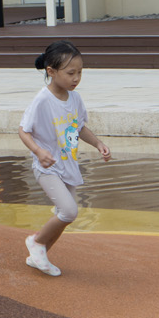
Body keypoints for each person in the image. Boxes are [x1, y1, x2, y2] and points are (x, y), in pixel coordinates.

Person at [17, 39, 111, 277]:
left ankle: (38, 255)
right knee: (69, 211)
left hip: (68, 166)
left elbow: (79, 128)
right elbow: (23, 130)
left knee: (65, 215)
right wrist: (39, 152)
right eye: (71, 73)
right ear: (51, 72)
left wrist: (98, 143)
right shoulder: (42, 100)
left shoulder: (74, 99)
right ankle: (36, 243)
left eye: (80, 72)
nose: (76, 78)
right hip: (47, 167)